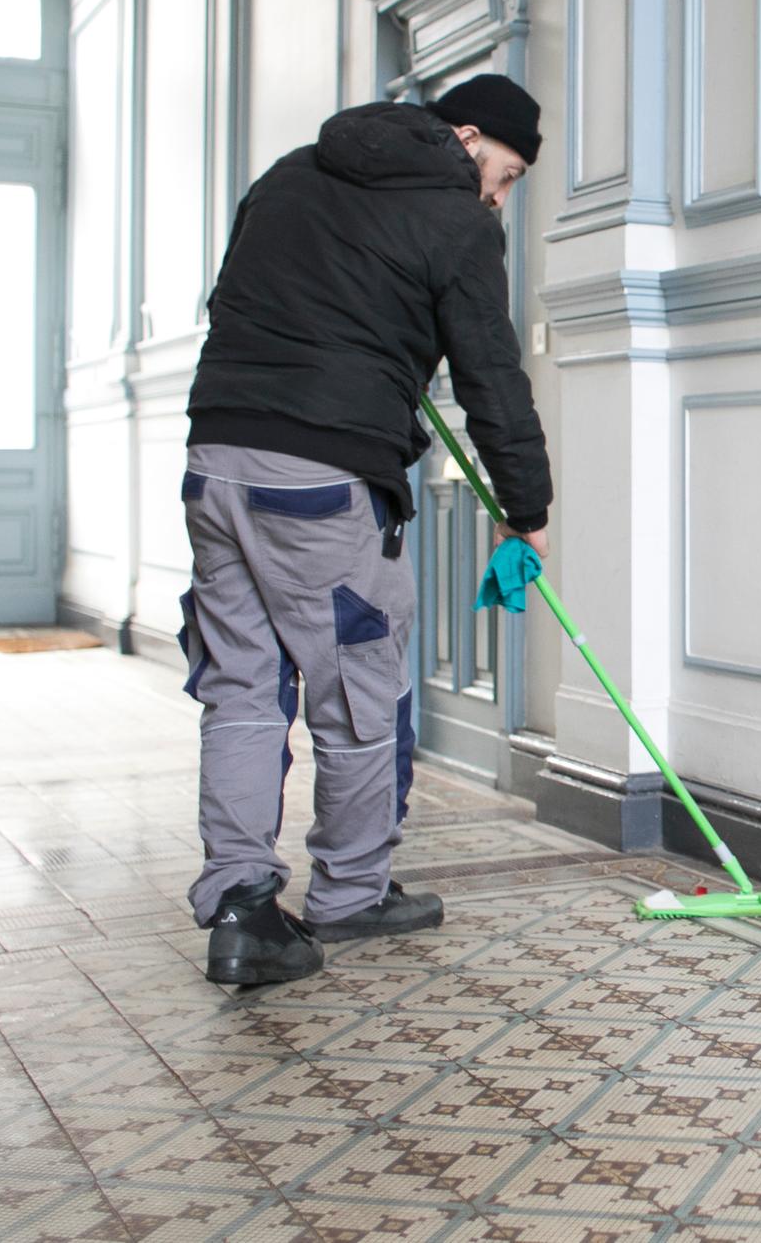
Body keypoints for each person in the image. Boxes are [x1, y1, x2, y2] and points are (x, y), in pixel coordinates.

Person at [178, 75, 552, 985]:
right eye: (502, 175)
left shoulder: (291, 174)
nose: (498, 197)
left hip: (216, 459)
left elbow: (241, 303)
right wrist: (526, 510)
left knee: (241, 687)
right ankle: (349, 891)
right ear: (467, 138)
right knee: (359, 688)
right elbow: (491, 379)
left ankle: (242, 910)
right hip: (321, 485)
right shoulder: (461, 224)